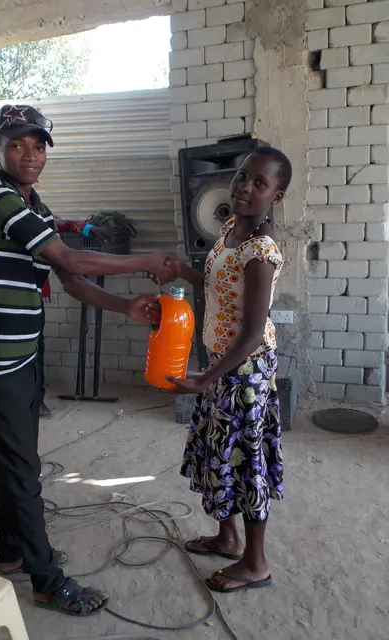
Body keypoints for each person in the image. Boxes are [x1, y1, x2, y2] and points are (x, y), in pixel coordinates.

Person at [0, 103, 177, 618]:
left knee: (17, 463)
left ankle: (12, 550)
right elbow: (69, 258)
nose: (30, 155)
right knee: (21, 472)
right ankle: (46, 581)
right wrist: (146, 261)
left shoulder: (33, 206)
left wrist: (124, 306)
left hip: (20, 353)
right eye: (16, 144)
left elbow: (71, 279)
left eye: (38, 146)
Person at [163, 147, 291, 594]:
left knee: (246, 459)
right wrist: (181, 270)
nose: (245, 187)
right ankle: (227, 538)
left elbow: (252, 333)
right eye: (242, 176)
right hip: (223, 363)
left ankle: (255, 563)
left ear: (276, 196)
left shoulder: (260, 251)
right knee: (222, 453)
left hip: (245, 372)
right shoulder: (231, 229)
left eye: (260, 183)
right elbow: (218, 284)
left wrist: (205, 379)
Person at [38, 219, 111, 417]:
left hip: (34, 298)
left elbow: (64, 224)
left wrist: (90, 229)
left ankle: (37, 399)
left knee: (37, 349)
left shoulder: (39, 216)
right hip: (13, 298)